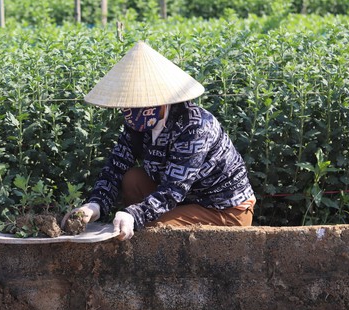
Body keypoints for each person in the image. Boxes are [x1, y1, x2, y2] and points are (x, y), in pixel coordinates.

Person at [63, 41, 255, 241]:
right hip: (183, 201)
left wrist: (134, 215)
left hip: (222, 208)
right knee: (131, 179)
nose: (131, 110)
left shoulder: (195, 126)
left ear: (161, 99)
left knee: (151, 230)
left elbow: (173, 189)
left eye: (139, 101)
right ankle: (135, 224)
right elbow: (116, 167)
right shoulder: (138, 124)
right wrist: (93, 206)